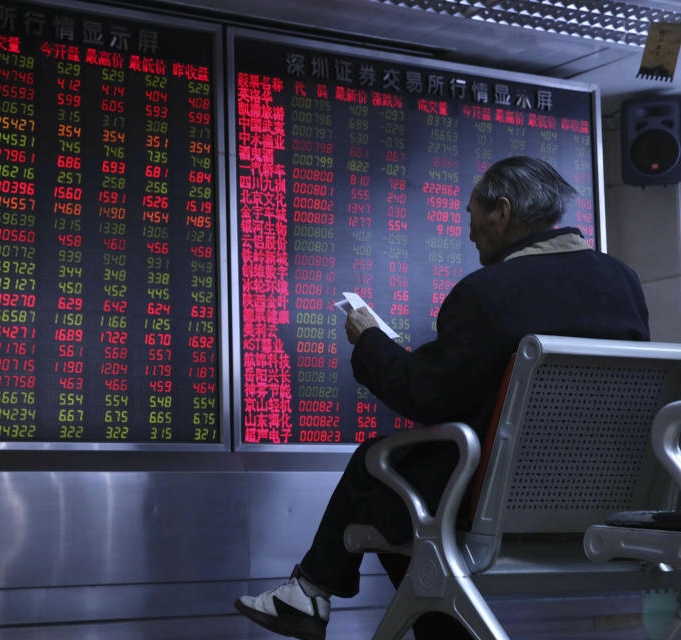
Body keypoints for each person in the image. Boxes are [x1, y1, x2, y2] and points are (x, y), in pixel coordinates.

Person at [235, 156, 650, 640]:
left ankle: (309, 592)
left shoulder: (488, 292)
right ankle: (310, 593)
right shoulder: (623, 282)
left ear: (502, 210)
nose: (469, 231)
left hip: (495, 502)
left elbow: (425, 395)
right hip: (603, 501)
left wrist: (370, 339)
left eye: (472, 215)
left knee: (380, 469)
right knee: (407, 510)